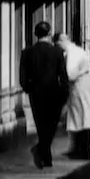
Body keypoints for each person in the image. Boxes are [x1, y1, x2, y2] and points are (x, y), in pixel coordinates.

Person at [20, 21, 69, 169]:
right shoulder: (57, 52)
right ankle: (43, 154)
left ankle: (44, 156)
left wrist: (30, 89)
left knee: (41, 126)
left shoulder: (27, 53)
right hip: (54, 94)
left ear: (36, 35)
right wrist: (64, 93)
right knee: (51, 126)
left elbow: (22, 78)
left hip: (36, 95)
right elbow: (63, 76)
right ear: (49, 34)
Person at [58, 30, 90, 160]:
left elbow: (71, 73)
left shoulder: (72, 54)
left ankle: (83, 151)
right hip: (83, 87)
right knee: (81, 119)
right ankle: (79, 150)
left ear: (62, 41)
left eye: (58, 44)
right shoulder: (78, 51)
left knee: (81, 119)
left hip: (79, 88)